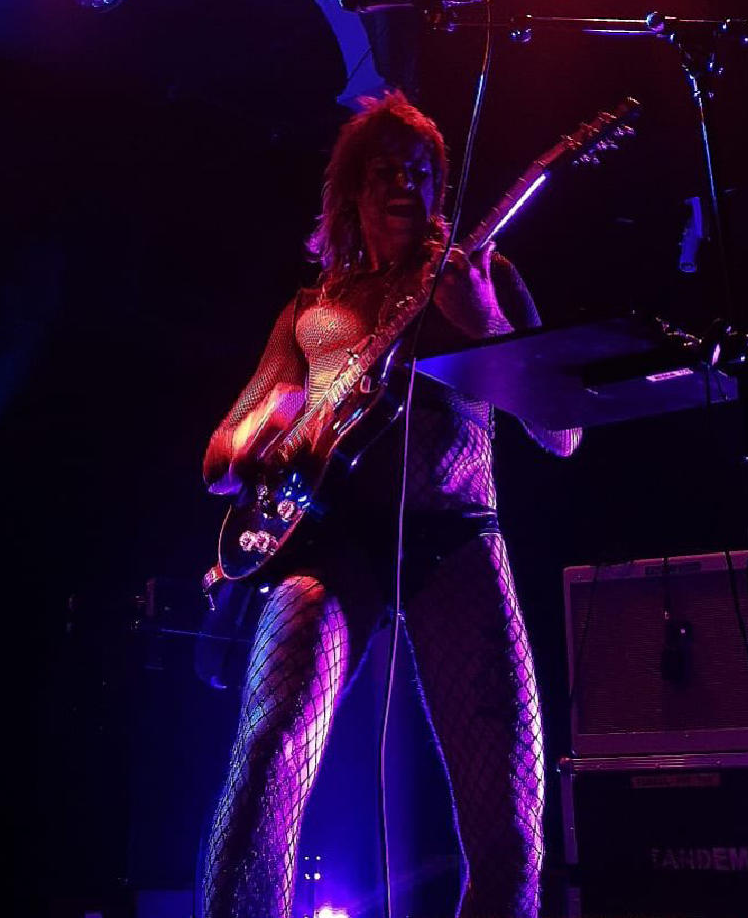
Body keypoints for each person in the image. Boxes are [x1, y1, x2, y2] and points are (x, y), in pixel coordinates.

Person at [200, 91, 581, 918]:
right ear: (351, 192)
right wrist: (274, 429)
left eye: (421, 172)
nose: (406, 184)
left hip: (459, 536)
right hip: (329, 543)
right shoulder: (313, 311)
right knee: (269, 749)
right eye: (386, 172)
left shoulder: (482, 274)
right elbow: (220, 457)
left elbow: (562, 431)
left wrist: (482, 323)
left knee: (512, 833)